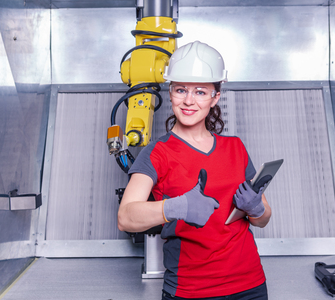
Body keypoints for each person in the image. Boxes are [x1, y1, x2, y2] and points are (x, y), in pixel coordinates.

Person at [117, 41, 272, 300]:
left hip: (251, 286)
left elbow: (263, 219)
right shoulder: (158, 152)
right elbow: (126, 217)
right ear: (170, 93)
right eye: (181, 90)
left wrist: (255, 208)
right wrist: (175, 207)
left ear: (215, 97)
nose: (189, 101)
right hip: (191, 291)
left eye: (200, 92)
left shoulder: (236, 148)